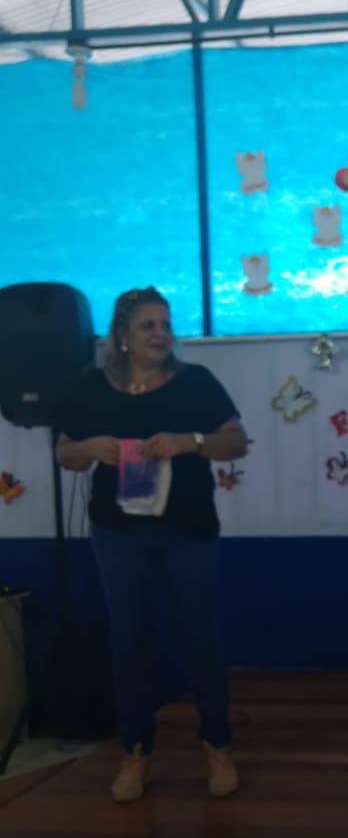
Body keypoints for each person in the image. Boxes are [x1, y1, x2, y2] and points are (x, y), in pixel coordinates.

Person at [56, 286, 249, 803]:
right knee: (129, 643)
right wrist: (89, 447)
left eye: (165, 325)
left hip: (188, 530)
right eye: (148, 325)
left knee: (199, 638)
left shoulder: (196, 383)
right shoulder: (92, 388)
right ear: (122, 335)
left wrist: (193, 442)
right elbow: (65, 454)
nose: (160, 334)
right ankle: (135, 752)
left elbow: (237, 442)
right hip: (117, 534)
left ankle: (218, 746)